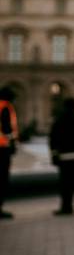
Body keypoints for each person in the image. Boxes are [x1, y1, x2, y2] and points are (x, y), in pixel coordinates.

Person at [0, 86, 19, 220]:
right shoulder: (5, 107)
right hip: (2, 147)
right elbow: (8, 129)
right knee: (2, 179)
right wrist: (13, 143)